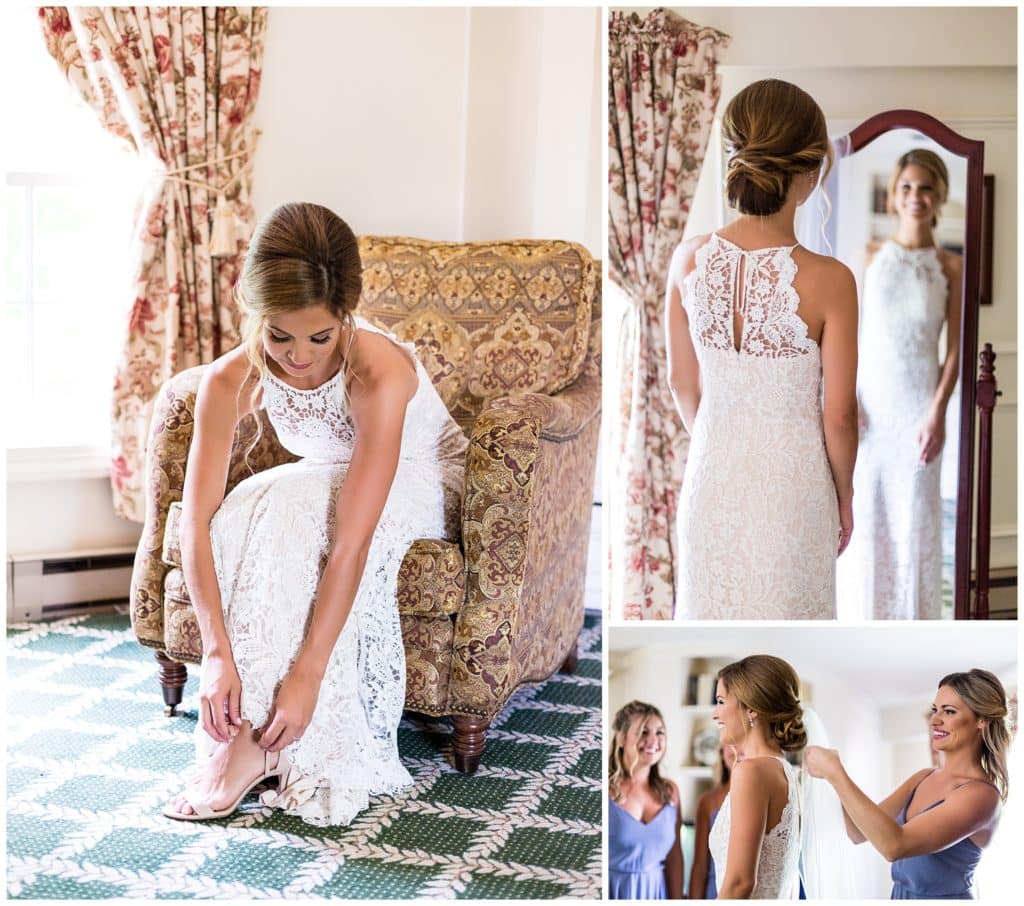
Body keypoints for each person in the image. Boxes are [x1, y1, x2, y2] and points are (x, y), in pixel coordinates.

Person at [163, 202, 468, 825]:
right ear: (257, 317)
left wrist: (307, 675)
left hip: (419, 477)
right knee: (243, 511)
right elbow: (195, 520)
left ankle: (254, 747)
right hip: (328, 473)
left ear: (345, 318)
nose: (298, 357)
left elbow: (350, 545)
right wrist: (216, 652)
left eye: (319, 337)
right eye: (279, 336)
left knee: (298, 511)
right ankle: (245, 728)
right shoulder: (227, 381)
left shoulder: (377, 373)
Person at [666, 78, 858, 620]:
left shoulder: (686, 258)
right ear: (811, 169)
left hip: (710, 483)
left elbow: (683, 383)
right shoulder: (832, 280)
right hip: (794, 498)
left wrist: (719, 443)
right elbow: (839, 415)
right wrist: (844, 496)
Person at [840, 149, 963, 620]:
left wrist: (938, 412)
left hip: (918, 408)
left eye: (926, 187)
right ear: (894, 195)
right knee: (870, 512)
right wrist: (849, 394)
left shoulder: (951, 267)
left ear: (940, 196)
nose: (916, 196)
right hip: (871, 407)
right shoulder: (868, 256)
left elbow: (954, 349)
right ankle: (866, 615)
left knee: (914, 515)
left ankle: (913, 615)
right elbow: (846, 335)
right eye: (907, 187)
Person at [805, 669, 1011, 898]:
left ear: (981, 720)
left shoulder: (982, 796)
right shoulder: (923, 777)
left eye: (949, 711)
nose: (935, 720)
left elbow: (894, 846)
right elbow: (857, 832)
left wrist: (836, 773)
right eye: (935, 710)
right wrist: (825, 779)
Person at [709, 655, 806, 898]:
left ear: (751, 708)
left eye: (721, 702)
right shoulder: (786, 773)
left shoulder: (751, 772)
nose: (714, 714)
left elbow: (740, 882)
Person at [608, 702, 684, 899]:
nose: (653, 740)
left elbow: (674, 857)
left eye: (659, 732)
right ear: (622, 738)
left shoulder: (670, 792)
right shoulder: (606, 789)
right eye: (643, 732)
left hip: (656, 892)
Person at [689, 745, 736, 899]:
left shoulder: (765, 799)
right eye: (730, 743)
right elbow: (700, 868)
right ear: (721, 751)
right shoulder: (708, 803)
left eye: (741, 740)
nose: (735, 749)